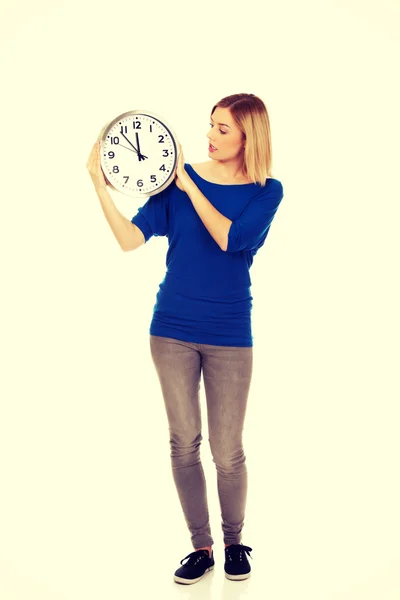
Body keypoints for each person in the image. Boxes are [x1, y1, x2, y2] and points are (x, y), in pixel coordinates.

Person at [86, 93, 284, 585]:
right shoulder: (174, 184)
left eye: (223, 129)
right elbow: (131, 240)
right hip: (171, 329)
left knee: (228, 449)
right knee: (182, 443)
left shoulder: (267, 190)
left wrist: (192, 187)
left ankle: (236, 542)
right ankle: (201, 546)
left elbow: (232, 239)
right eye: (211, 125)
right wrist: (98, 185)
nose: (210, 136)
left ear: (247, 137)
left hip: (231, 333)